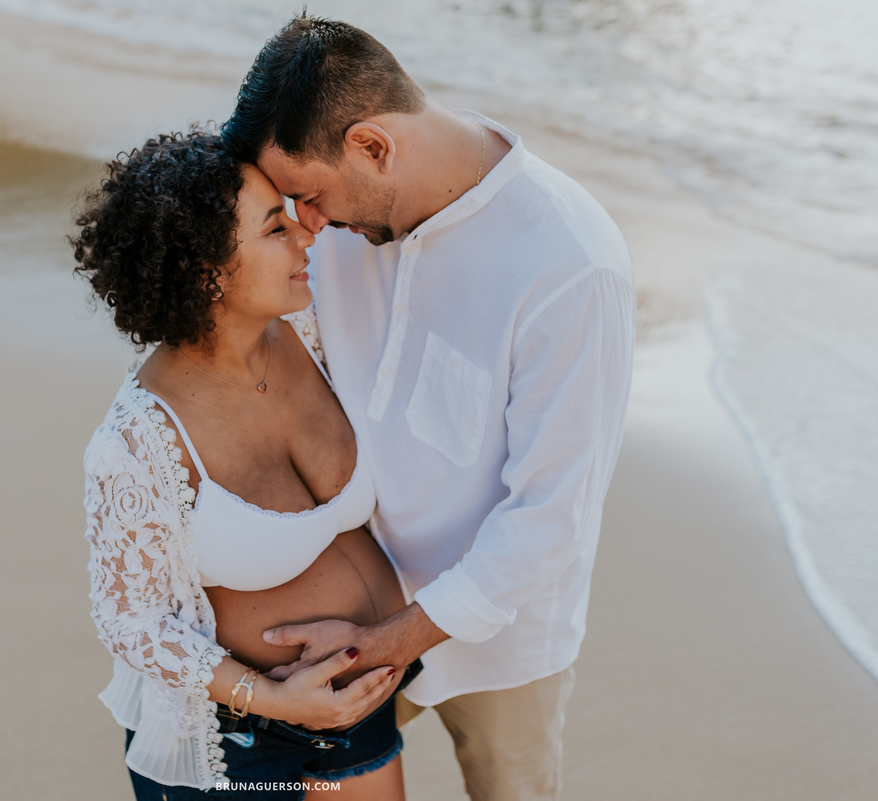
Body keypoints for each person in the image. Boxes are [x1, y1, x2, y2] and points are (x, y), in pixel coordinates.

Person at [220, 15, 636, 801]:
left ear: (374, 146)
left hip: (504, 636)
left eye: (308, 197)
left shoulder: (571, 266)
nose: (304, 225)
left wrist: (387, 641)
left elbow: (550, 517)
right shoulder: (342, 214)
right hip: (346, 598)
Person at [76, 130, 420, 800]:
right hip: (240, 739)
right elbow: (127, 619)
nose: (304, 236)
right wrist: (274, 697)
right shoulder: (137, 441)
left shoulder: (312, 328)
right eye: (274, 229)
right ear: (208, 271)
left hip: (362, 702)